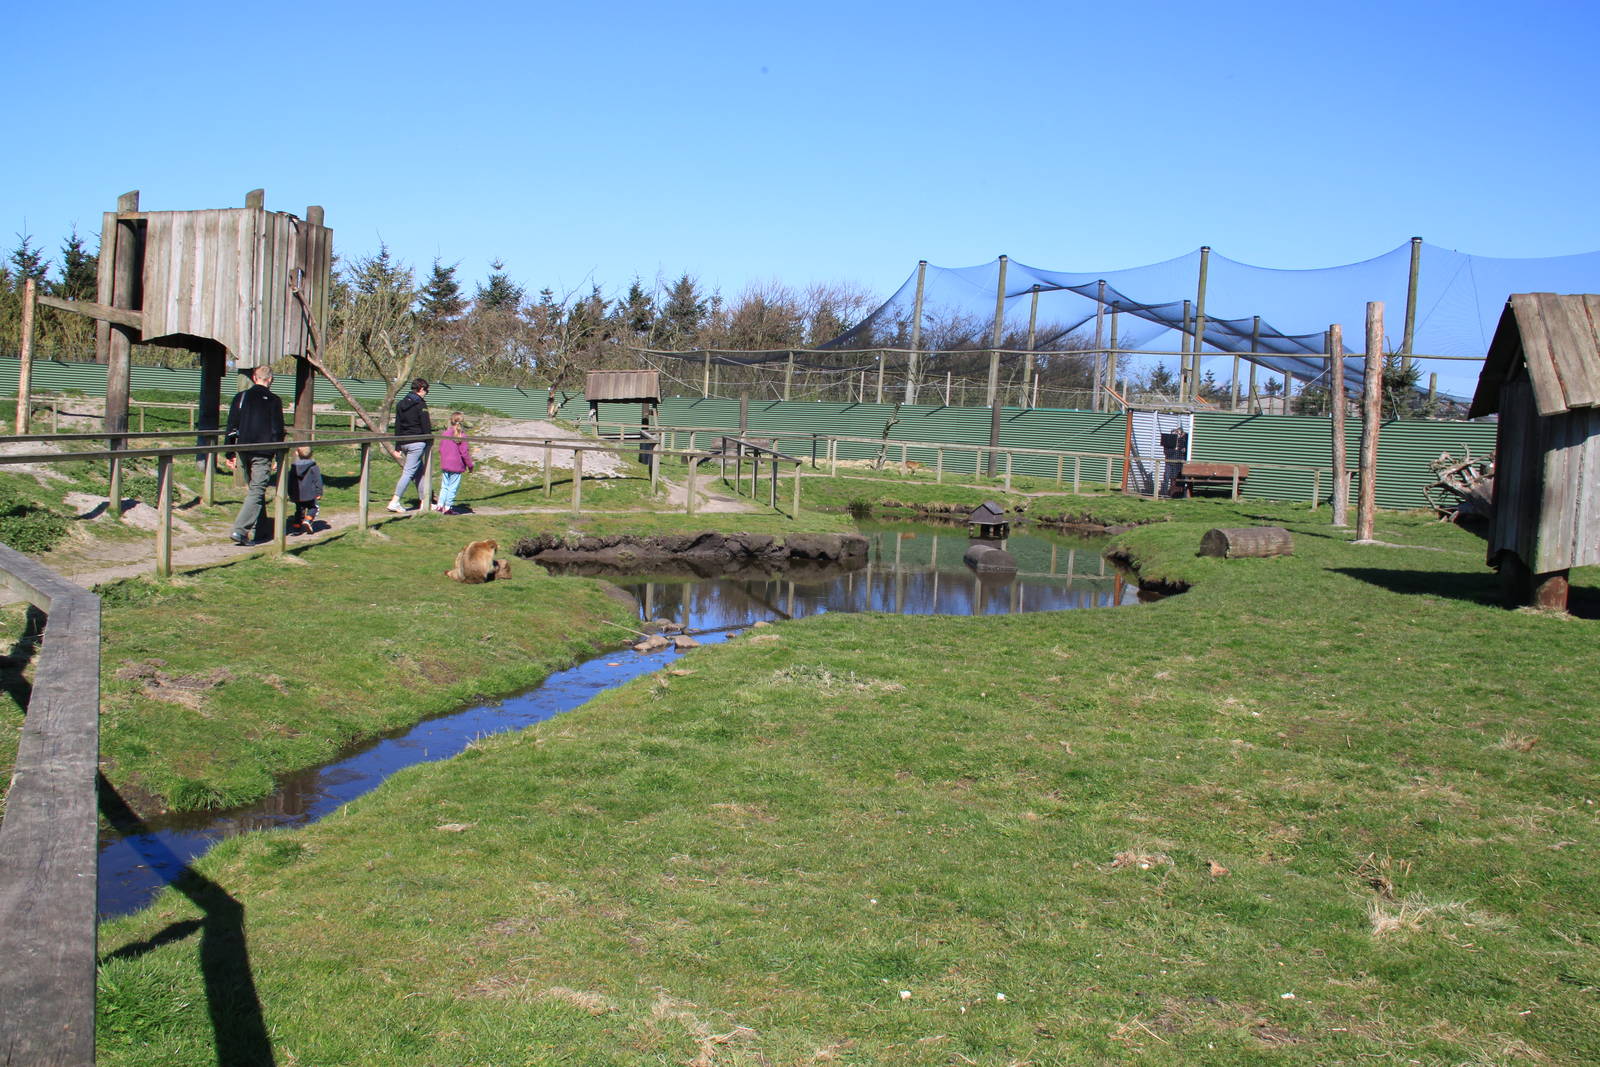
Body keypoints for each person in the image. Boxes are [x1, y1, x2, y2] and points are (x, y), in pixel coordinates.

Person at [224, 364, 286, 545]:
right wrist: (278, 455)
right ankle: (240, 531)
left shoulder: (241, 397)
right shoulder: (274, 400)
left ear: (254, 377)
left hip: (243, 449)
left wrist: (229, 452)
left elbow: (232, 426)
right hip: (263, 451)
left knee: (255, 490)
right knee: (257, 490)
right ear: (270, 379)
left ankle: (262, 529)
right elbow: (277, 430)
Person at [387, 378, 433, 513]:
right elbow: (425, 424)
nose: (426, 393)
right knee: (408, 473)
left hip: (404, 442)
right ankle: (395, 501)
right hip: (417, 442)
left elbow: (398, 426)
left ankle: (425, 502)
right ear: (421, 389)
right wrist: (429, 440)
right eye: (426, 391)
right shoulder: (420, 404)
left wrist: (398, 446)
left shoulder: (401, 404)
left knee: (419, 472)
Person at [434, 411, 473, 513]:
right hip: (456, 465)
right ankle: (448, 507)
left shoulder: (445, 434)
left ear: (451, 421)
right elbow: (464, 453)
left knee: (444, 486)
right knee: (453, 487)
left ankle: (440, 505)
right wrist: (470, 465)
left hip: (445, 464)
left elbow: (441, 449)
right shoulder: (462, 436)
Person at [286, 446, 324, 534]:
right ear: (311, 454)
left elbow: (290, 481)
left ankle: (296, 528)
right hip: (310, 493)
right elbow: (318, 480)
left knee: (299, 510)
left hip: (297, 494)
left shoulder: (294, 467)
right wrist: (319, 492)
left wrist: (290, 493)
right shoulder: (313, 466)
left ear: (297, 453)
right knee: (313, 507)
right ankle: (308, 520)